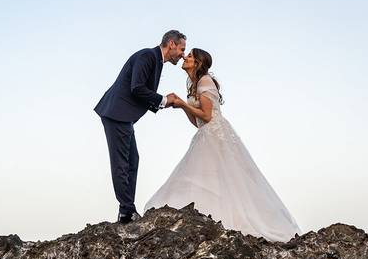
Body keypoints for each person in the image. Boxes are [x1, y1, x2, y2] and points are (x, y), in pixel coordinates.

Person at [144, 48, 301, 241]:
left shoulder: (205, 81)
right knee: (206, 177)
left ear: (199, 63)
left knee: (219, 178)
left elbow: (208, 117)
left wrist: (182, 103)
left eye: (190, 56)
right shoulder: (194, 84)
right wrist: (182, 107)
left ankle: (229, 221)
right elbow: (197, 122)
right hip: (205, 134)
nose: (185, 57)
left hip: (216, 136)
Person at [95, 30, 186, 224]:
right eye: (181, 48)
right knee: (122, 163)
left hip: (122, 116)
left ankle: (125, 210)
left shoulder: (156, 60)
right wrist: (163, 100)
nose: (183, 54)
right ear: (171, 44)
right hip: (116, 113)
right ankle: (127, 212)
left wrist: (163, 101)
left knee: (132, 160)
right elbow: (137, 88)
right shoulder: (148, 55)